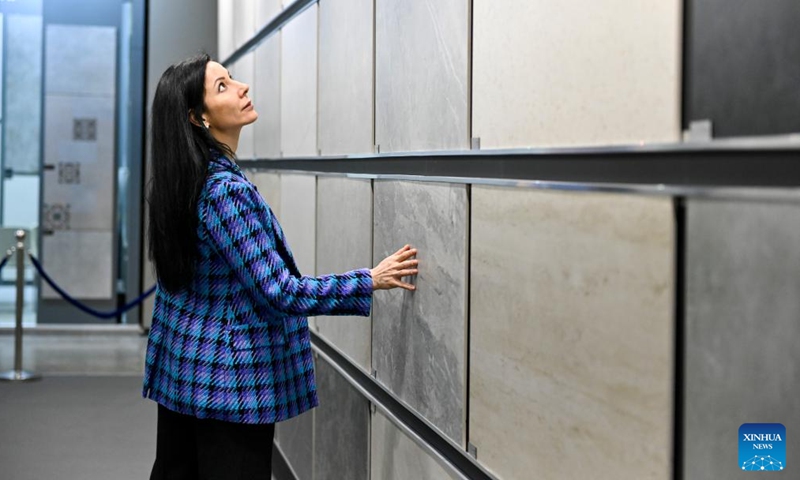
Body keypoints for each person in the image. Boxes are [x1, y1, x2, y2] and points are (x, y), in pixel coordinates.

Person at [144, 53, 418, 479]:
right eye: (223, 86)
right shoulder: (223, 193)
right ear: (198, 118)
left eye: (231, 78)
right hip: (227, 389)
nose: (242, 87)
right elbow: (281, 290)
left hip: (185, 375)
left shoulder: (184, 182)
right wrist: (369, 280)